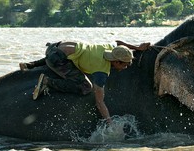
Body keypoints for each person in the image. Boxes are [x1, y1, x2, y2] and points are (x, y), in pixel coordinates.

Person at [20, 40, 151, 123]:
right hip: (56, 58)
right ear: (116, 61)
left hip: (55, 46)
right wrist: (109, 122)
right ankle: (47, 82)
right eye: (125, 65)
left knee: (75, 56)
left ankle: (31, 65)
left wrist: (137, 48)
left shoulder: (108, 47)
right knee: (85, 87)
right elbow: (99, 101)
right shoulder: (101, 71)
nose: (126, 67)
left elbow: (119, 43)